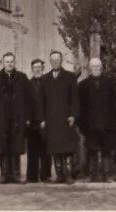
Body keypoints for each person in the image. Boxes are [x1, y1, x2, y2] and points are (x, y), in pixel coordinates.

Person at [0, 52, 32, 183]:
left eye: (11, 61)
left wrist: (27, 117)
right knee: (2, 145)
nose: (9, 64)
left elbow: (28, 100)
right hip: (1, 117)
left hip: (17, 118)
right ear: (3, 63)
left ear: (14, 62)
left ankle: (16, 174)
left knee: (16, 145)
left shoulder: (22, 77)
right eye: (7, 62)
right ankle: (4, 174)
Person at [38, 50, 80, 185]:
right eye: (53, 60)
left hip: (65, 119)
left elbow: (75, 99)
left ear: (61, 60)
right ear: (50, 61)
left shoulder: (69, 77)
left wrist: (73, 115)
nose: (55, 62)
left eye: (57, 59)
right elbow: (41, 102)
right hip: (51, 120)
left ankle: (68, 175)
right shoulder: (44, 79)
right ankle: (59, 175)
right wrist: (42, 119)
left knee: (67, 148)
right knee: (54, 148)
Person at [78, 57, 116, 182]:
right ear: (90, 69)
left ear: (101, 68)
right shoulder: (83, 85)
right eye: (93, 67)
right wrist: (81, 125)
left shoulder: (109, 83)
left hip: (107, 123)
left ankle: (106, 175)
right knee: (91, 149)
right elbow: (81, 107)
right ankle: (92, 176)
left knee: (106, 149)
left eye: (98, 67)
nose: (96, 69)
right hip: (90, 125)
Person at [25, 58, 51, 183]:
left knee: (45, 150)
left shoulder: (47, 83)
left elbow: (50, 103)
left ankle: (45, 175)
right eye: (35, 68)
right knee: (32, 150)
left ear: (43, 69)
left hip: (45, 121)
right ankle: (32, 176)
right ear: (32, 69)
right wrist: (27, 119)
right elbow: (25, 103)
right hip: (32, 122)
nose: (37, 70)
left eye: (39, 67)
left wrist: (45, 119)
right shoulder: (28, 84)